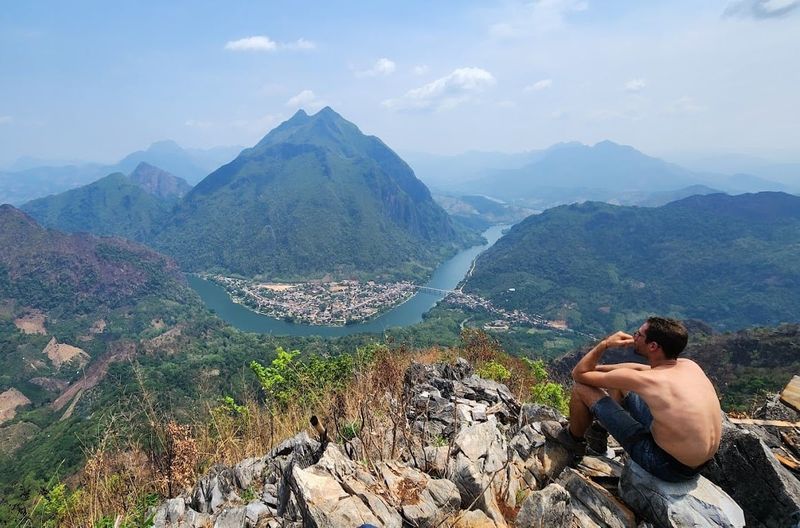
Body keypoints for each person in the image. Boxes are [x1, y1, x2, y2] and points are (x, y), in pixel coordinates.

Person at [545, 316, 722, 482]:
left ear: (653, 346)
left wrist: (605, 344)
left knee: (581, 389)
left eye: (639, 334)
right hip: (696, 463)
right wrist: (597, 369)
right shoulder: (689, 365)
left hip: (667, 465)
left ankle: (572, 443)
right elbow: (634, 370)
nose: (634, 336)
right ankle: (599, 433)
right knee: (620, 382)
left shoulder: (650, 381)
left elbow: (578, 374)